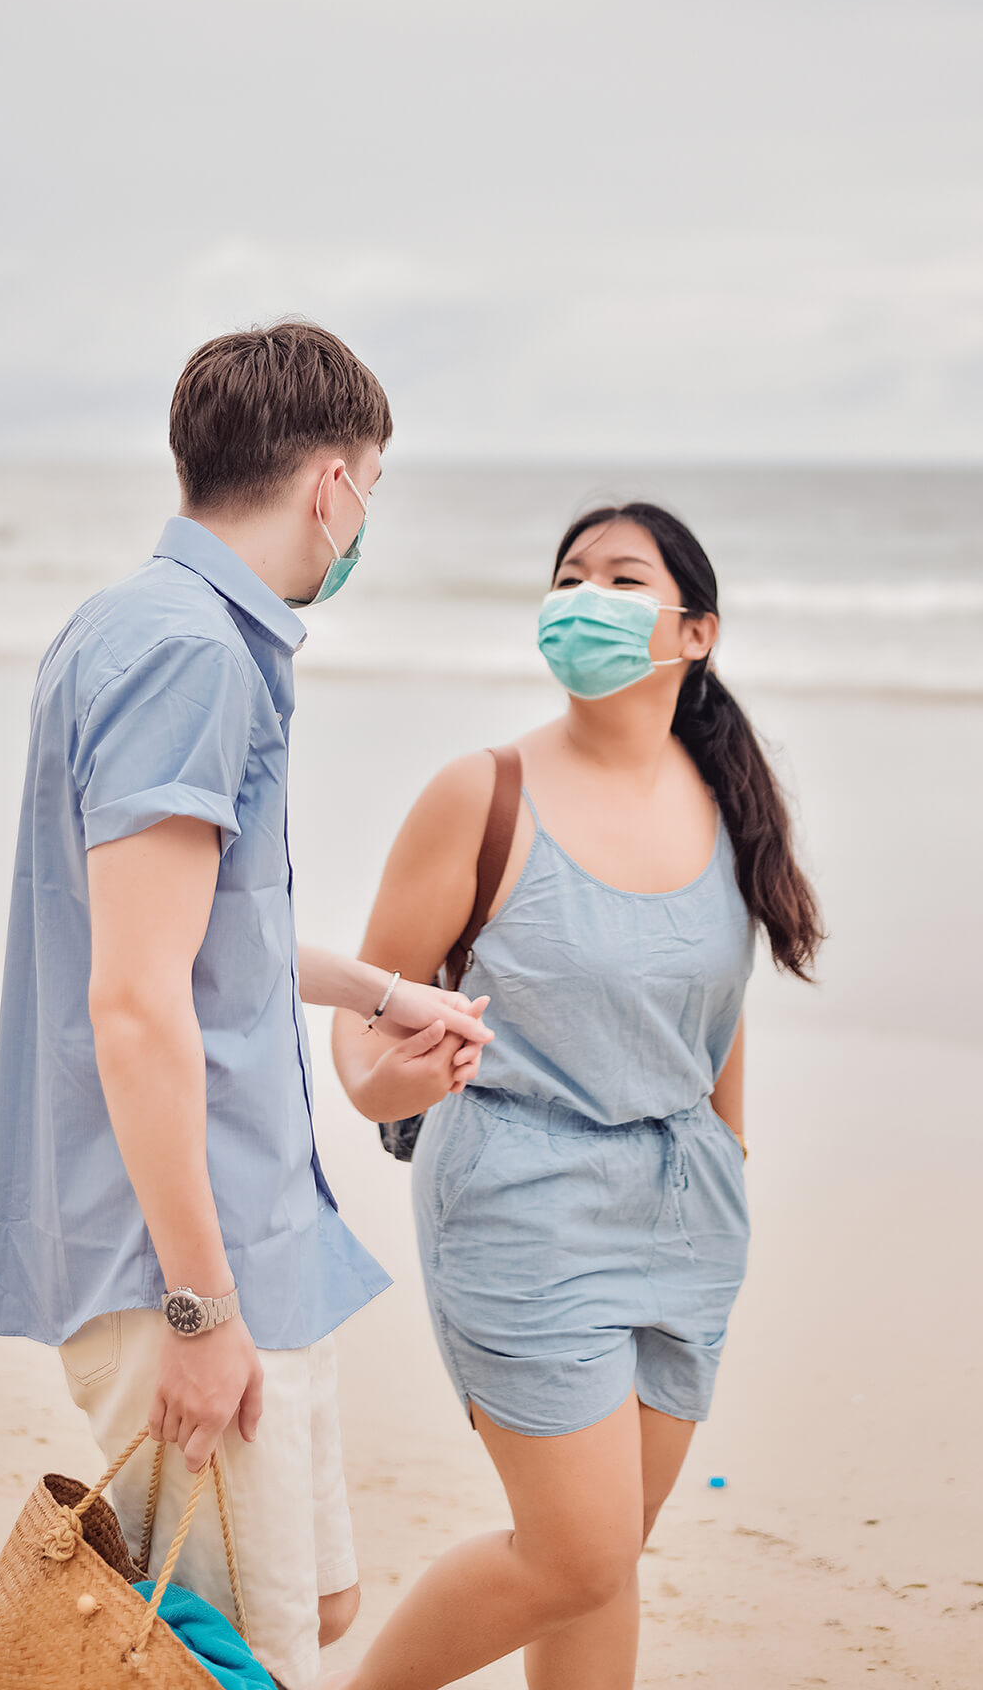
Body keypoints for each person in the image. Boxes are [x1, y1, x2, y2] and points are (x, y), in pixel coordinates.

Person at [0, 323, 490, 1690]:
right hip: (184, 1264)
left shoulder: (148, 625)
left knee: (305, 1614)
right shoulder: (187, 652)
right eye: (370, 484)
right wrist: (200, 1312)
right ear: (330, 483)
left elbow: (205, 941)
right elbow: (136, 1003)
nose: (364, 517)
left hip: (247, 1229)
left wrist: (382, 990)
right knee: (229, 1664)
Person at [331, 500, 822, 1690]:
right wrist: (376, 1080)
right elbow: (363, 1005)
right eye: (568, 577)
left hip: (684, 1213)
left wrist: (728, 1157)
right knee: (572, 1551)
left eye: (619, 576)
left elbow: (712, 1005)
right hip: (520, 1200)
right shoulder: (482, 792)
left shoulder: (724, 796)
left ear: (692, 631)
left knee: (607, 1562)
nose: (583, 597)